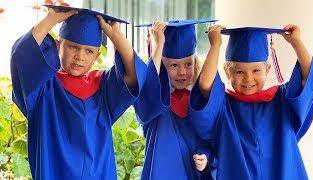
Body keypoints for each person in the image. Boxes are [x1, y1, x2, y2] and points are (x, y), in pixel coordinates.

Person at [10, 5, 146, 179]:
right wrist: (50, 20)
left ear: (97, 56)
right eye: (73, 47)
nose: (80, 57)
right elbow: (22, 56)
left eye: (89, 51)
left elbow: (134, 75)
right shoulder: (42, 87)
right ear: (58, 45)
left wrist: (116, 36)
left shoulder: (103, 87)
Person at [191, 25, 313, 179]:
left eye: (256, 70)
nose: (248, 79)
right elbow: (205, 84)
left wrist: (296, 42)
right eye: (239, 72)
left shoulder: (281, 101)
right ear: (227, 72)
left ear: (268, 69)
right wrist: (215, 46)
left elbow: (310, 77)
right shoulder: (223, 106)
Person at [134, 20, 216, 180]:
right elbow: (143, 108)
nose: (182, 72)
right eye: (173, 65)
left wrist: (206, 156)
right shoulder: (155, 99)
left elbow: (211, 139)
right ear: (163, 66)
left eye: (188, 64)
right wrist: (159, 45)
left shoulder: (201, 100)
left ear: (195, 63)